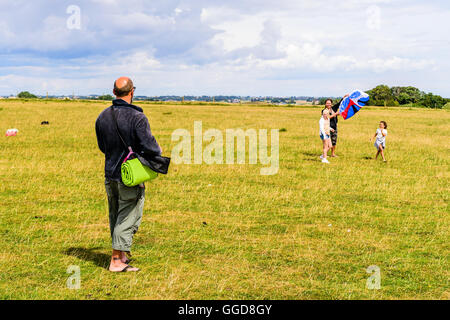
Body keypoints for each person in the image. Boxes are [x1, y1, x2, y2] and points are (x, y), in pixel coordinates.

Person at [95, 77, 162, 272]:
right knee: (129, 214)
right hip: (130, 175)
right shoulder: (138, 117)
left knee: (115, 213)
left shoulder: (103, 116)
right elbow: (150, 147)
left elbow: (102, 146)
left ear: (114, 92)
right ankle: (116, 261)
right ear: (132, 91)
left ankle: (121, 254)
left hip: (110, 173)